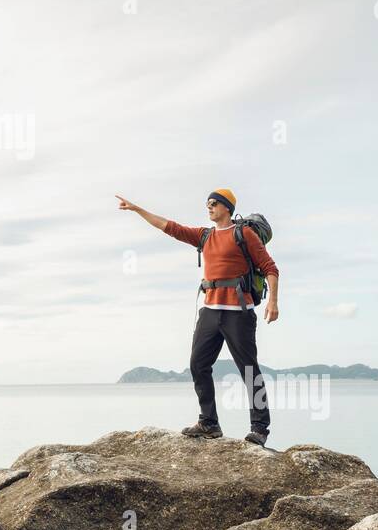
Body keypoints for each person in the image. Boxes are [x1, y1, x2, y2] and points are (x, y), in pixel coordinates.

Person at [116, 188, 280, 446]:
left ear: (227, 207)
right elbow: (169, 227)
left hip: (239, 311)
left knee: (249, 370)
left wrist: (273, 301)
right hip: (210, 310)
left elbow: (270, 268)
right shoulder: (204, 236)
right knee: (197, 365)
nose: (209, 207)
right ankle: (209, 422)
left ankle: (260, 428)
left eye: (214, 203)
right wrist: (137, 209)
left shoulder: (243, 234)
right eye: (207, 204)